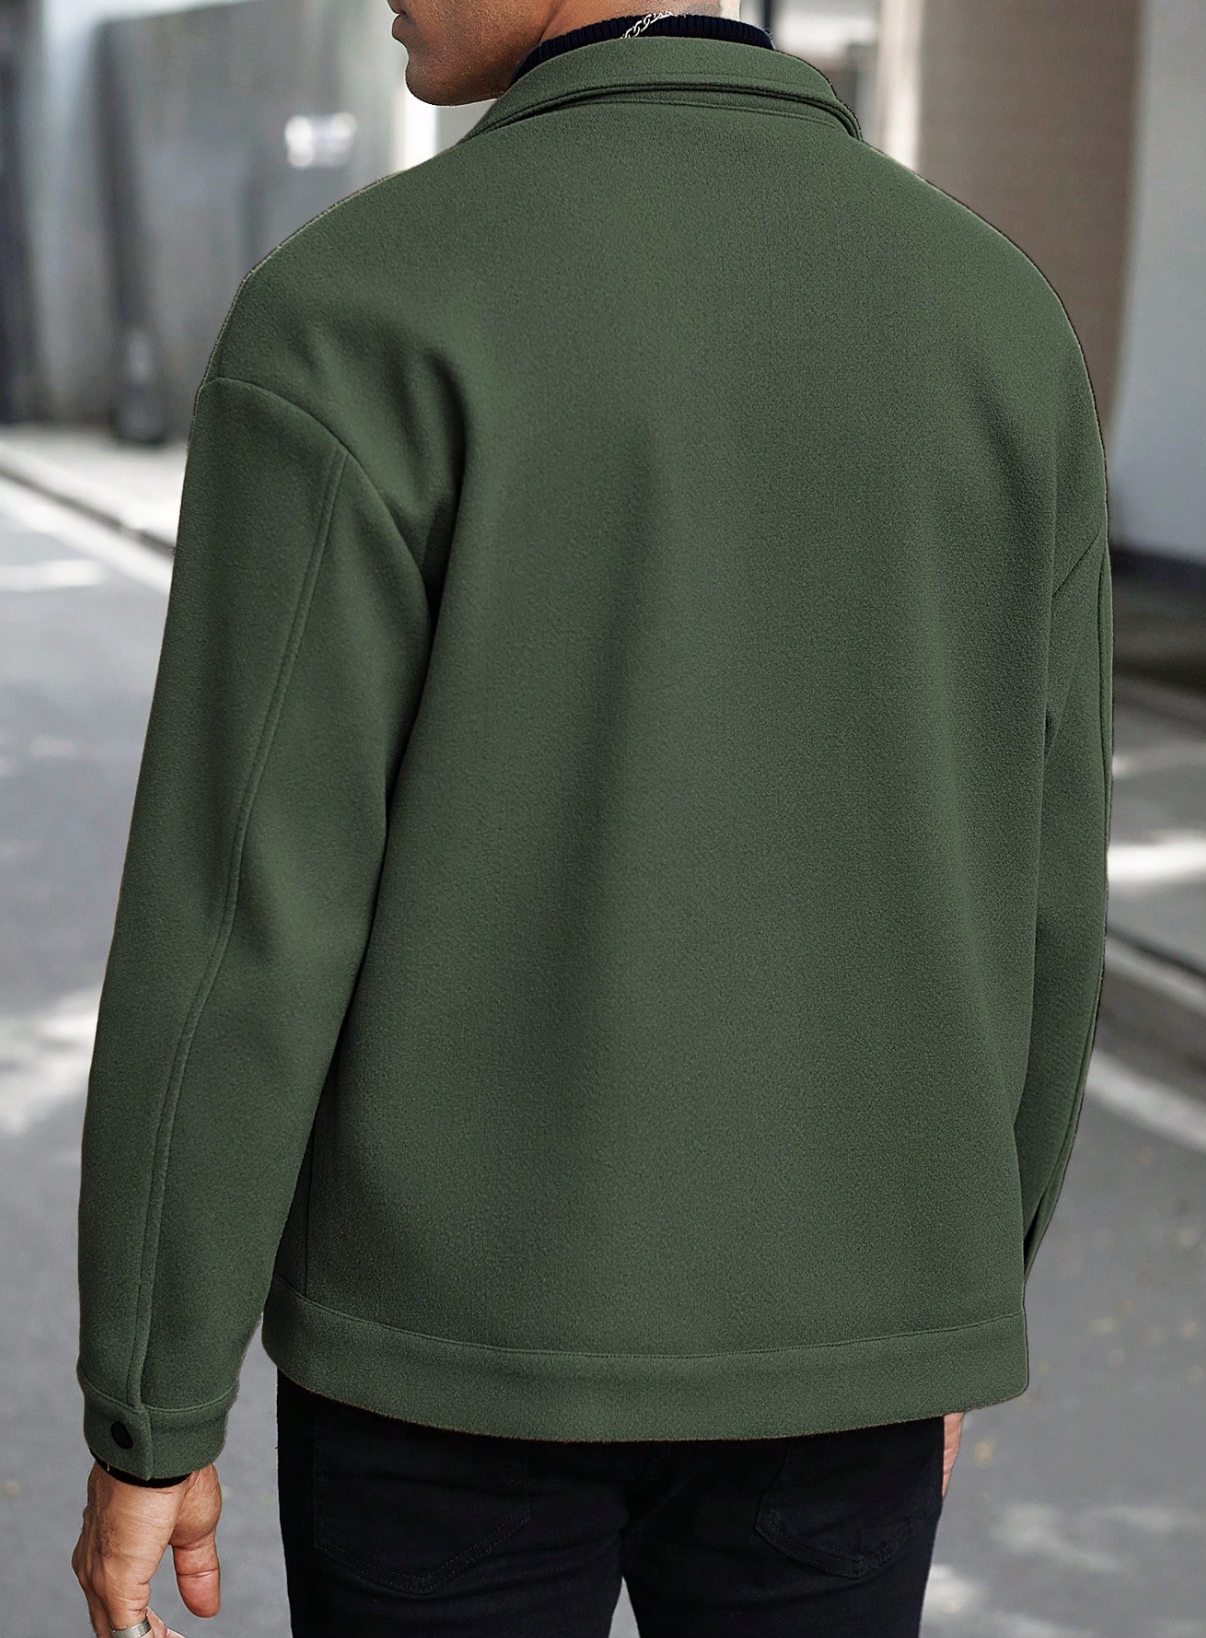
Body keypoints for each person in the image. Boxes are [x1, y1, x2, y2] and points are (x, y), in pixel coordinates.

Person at [71, 0, 1113, 1634]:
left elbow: (242, 921)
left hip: (440, 1368)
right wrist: (949, 1302)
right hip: (851, 1359)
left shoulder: (355, 310)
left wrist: (156, 1394)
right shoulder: (997, 318)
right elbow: (1050, 889)